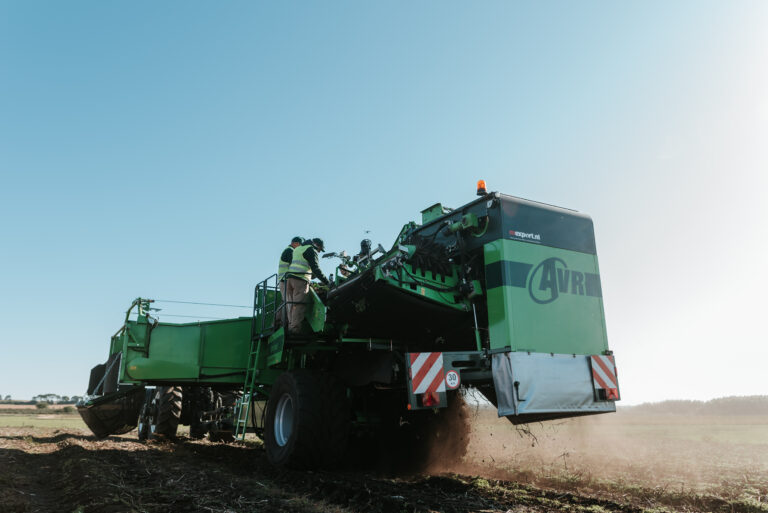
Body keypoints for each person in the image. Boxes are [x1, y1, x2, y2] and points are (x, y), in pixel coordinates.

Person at [285, 237, 329, 334]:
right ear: (317, 245)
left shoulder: (299, 248)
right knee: (299, 305)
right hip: (300, 280)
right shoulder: (311, 250)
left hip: (290, 279)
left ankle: (290, 327)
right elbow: (316, 269)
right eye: (320, 249)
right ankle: (295, 330)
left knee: (291, 305)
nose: (319, 251)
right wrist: (327, 283)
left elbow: (302, 264)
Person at [277, 236, 303, 326]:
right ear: (295, 243)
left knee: (285, 301)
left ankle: (277, 322)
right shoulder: (290, 251)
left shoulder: (288, 250)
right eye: (299, 245)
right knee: (290, 303)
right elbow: (295, 265)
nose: (300, 248)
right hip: (285, 280)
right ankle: (291, 323)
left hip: (284, 280)